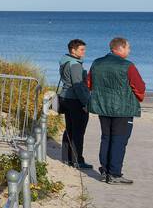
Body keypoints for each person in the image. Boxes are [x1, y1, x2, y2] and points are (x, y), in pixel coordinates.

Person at [86, 36, 146, 184]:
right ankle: (114, 174)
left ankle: (106, 170)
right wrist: (138, 97)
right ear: (120, 48)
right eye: (128, 47)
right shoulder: (127, 65)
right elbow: (139, 87)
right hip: (122, 109)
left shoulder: (97, 63)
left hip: (103, 107)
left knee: (106, 138)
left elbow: (88, 83)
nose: (129, 50)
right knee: (119, 140)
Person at [57, 39, 92, 169]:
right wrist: (86, 102)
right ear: (73, 50)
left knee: (70, 129)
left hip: (65, 98)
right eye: (82, 49)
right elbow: (78, 86)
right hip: (75, 100)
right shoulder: (75, 64)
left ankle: (67, 158)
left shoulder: (65, 61)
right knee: (78, 131)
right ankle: (78, 160)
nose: (84, 52)